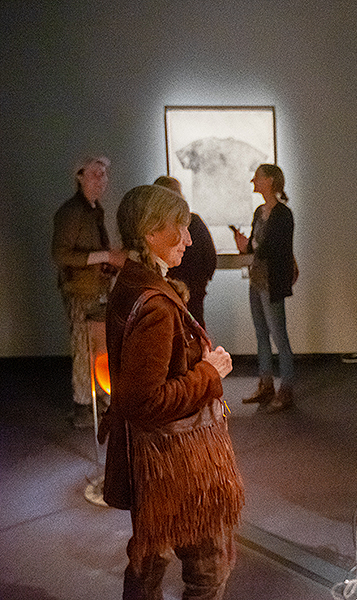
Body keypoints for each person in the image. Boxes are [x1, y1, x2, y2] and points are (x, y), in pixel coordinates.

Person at [99, 184, 244, 599]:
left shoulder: (133, 284)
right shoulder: (156, 306)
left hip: (149, 458)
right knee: (208, 568)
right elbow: (146, 402)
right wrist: (209, 372)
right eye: (178, 228)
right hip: (175, 461)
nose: (188, 239)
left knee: (150, 555)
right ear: (150, 233)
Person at [52, 155, 126, 429]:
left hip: (97, 289)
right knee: (84, 348)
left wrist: (108, 262)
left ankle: (98, 398)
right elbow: (60, 254)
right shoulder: (72, 212)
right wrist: (105, 256)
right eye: (95, 174)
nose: (101, 180)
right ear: (79, 176)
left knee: (97, 347)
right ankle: (83, 405)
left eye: (104, 174)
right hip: (81, 291)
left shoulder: (93, 210)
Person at [232, 164, 297, 413]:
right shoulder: (260, 212)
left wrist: (250, 247)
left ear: (269, 181)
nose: (253, 181)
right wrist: (245, 245)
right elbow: (257, 247)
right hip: (257, 280)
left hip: (271, 282)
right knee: (262, 334)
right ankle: (266, 385)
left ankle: (286, 389)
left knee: (279, 336)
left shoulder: (283, 214)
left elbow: (273, 249)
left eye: (257, 178)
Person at [153, 176, 218, 328]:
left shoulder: (159, 226)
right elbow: (210, 259)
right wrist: (200, 283)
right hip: (191, 289)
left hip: (175, 288)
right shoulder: (194, 221)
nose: (187, 241)